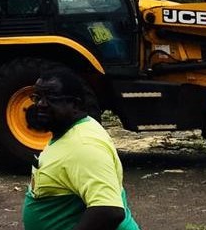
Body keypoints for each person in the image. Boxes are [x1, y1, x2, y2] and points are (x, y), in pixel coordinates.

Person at [22, 68, 139, 230]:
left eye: (51, 98)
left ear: (75, 104)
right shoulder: (67, 132)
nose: (40, 104)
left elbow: (109, 211)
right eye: (37, 97)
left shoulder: (85, 146)